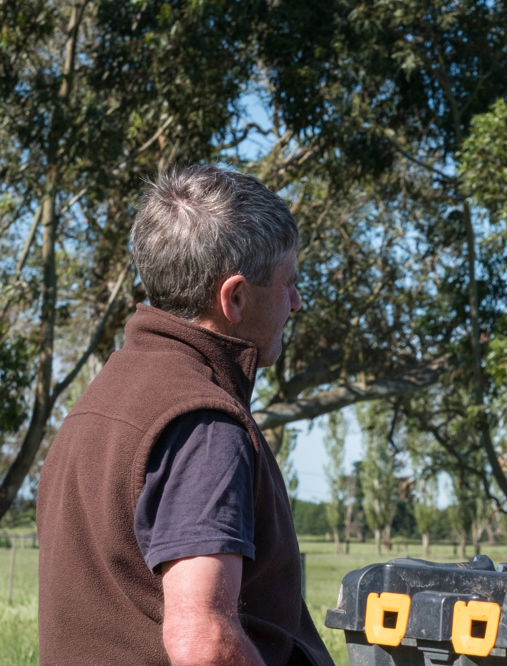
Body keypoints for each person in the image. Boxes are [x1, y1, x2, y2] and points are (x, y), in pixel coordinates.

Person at [37, 165, 335, 665]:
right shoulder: (203, 424)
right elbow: (205, 644)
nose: (296, 303)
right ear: (234, 297)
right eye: (289, 284)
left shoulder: (101, 399)